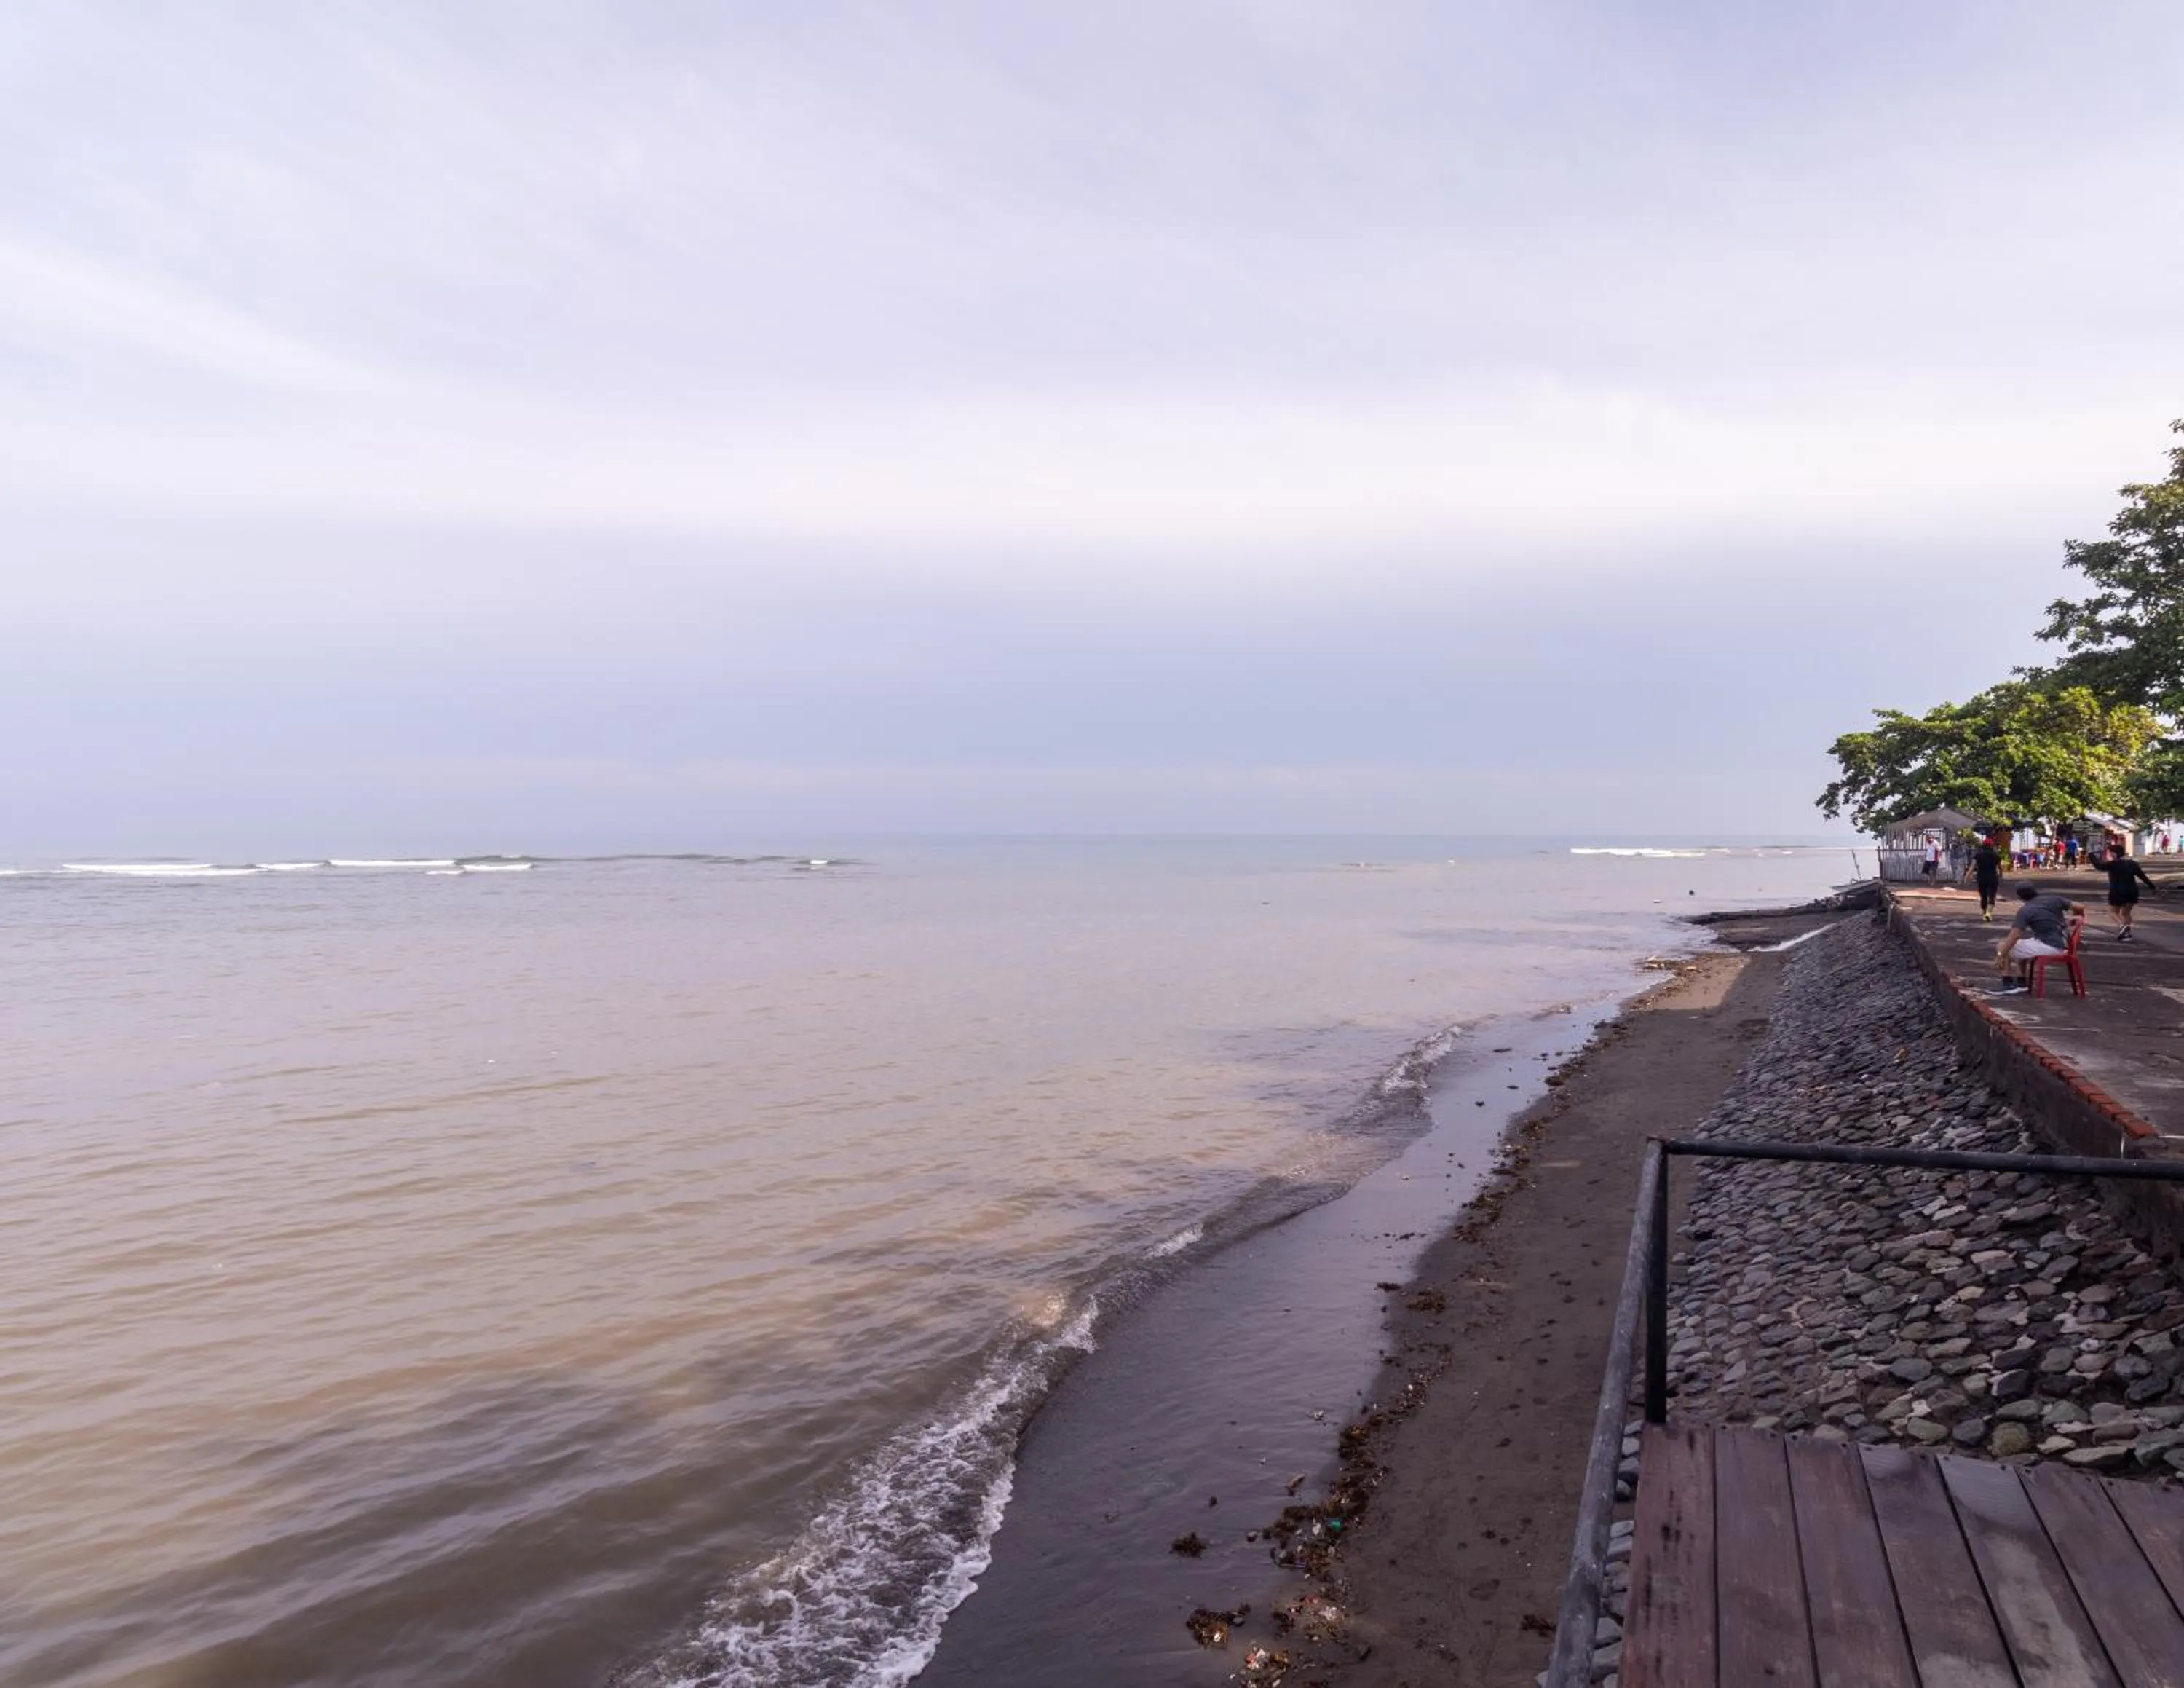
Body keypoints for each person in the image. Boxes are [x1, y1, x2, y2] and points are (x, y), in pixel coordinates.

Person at [1993, 884, 2087, 994]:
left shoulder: (2026, 910)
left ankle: (2007, 983)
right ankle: (2021, 981)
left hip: (2050, 946)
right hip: (2063, 942)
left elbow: (2015, 935)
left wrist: (2000, 955)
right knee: (2021, 945)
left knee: (2003, 945)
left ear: (2021, 898)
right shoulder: (2054, 899)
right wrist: (2076, 916)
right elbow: (2080, 907)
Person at [2100, 849, 2159, 941]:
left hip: (2117, 891)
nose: (2107, 856)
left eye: (2109, 853)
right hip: (2132, 891)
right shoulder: (2133, 864)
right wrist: (2152, 886)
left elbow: (2099, 866)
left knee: (2113, 912)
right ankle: (2127, 934)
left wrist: (2092, 855)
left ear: (2115, 854)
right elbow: (2142, 876)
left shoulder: (2113, 864)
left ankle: (2122, 926)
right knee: (2126, 913)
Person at [1973, 838, 2002, 922]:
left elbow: (1972, 866)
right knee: (1992, 896)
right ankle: (1989, 913)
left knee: (1983, 896)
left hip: (1981, 878)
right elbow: (2000, 868)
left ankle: (1984, 913)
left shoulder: (1978, 855)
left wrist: (1967, 876)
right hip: (1993, 878)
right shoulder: (1996, 855)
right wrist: (2001, 875)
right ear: (1992, 845)